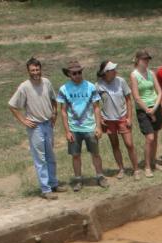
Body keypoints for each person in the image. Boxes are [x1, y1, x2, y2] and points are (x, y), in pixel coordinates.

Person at [8, 58, 61, 199]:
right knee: (40, 159)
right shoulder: (24, 87)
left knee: (51, 156)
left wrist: (55, 113)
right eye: (32, 70)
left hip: (48, 124)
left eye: (37, 69)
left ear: (40, 69)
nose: (35, 72)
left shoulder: (47, 82)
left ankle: (54, 183)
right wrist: (23, 120)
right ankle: (45, 189)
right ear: (28, 71)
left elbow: (53, 99)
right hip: (35, 127)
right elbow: (12, 105)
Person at [56, 60, 107, 192]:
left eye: (79, 72)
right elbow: (63, 111)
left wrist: (98, 127)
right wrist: (67, 131)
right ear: (69, 74)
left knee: (95, 153)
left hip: (90, 127)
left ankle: (100, 176)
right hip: (74, 129)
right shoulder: (64, 89)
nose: (77, 75)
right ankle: (78, 179)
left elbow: (96, 108)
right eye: (74, 73)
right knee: (76, 155)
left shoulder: (90, 87)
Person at [96, 60, 138, 179]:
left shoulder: (121, 81)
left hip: (122, 118)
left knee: (129, 144)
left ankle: (136, 170)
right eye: (112, 70)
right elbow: (96, 104)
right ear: (105, 72)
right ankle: (121, 169)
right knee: (115, 145)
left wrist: (129, 117)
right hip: (109, 120)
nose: (115, 71)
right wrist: (100, 118)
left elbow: (129, 100)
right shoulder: (98, 85)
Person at [131, 49, 162, 176]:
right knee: (149, 137)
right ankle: (146, 166)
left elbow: (159, 91)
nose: (146, 61)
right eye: (144, 59)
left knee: (155, 137)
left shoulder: (151, 73)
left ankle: (153, 161)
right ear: (138, 60)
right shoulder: (134, 75)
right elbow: (136, 97)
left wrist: (155, 108)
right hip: (143, 110)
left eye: (147, 59)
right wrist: (147, 110)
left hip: (154, 107)